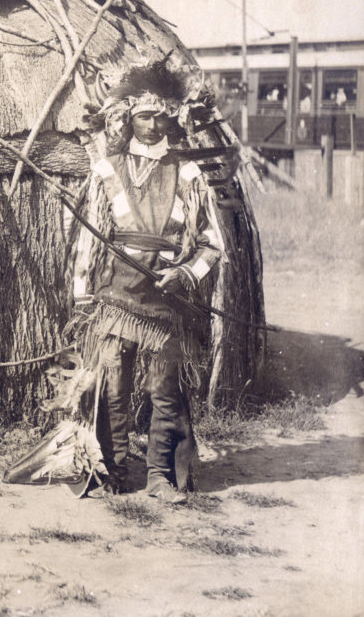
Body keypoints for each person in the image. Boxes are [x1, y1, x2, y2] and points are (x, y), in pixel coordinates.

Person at [66, 62, 223, 502]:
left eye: (159, 116)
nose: (152, 125)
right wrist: (82, 297)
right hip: (115, 299)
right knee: (113, 387)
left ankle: (159, 477)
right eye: (143, 116)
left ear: (172, 116)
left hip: (165, 303)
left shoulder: (189, 175)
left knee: (164, 391)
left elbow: (212, 244)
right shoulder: (106, 171)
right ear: (127, 117)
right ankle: (112, 471)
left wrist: (186, 273)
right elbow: (87, 241)